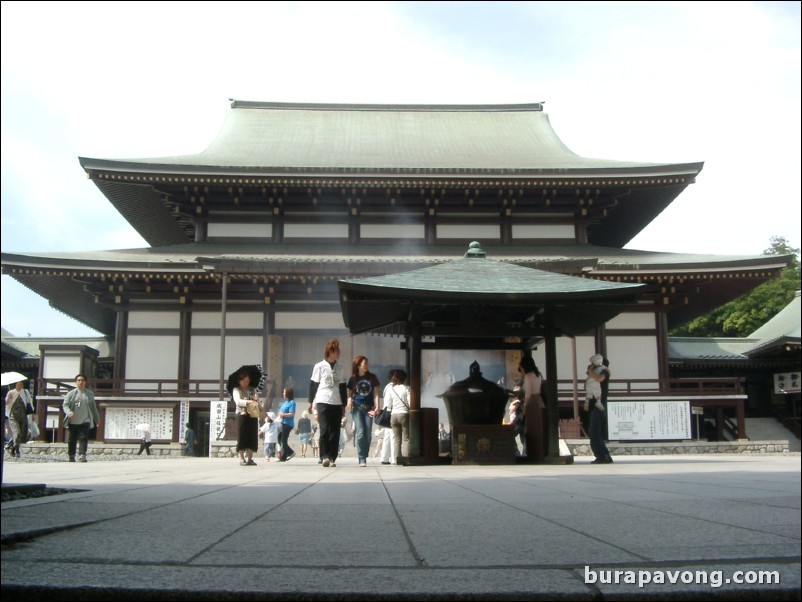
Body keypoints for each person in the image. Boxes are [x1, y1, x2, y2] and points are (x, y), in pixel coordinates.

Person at [308, 339, 347, 468]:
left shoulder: (340, 367)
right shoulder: (319, 366)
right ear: (330, 351)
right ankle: (324, 456)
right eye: (336, 350)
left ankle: (332, 457)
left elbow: (342, 386)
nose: (338, 353)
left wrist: (344, 404)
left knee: (335, 430)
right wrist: (310, 402)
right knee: (324, 429)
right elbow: (313, 385)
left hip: (336, 401)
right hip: (322, 400)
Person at [347, 355, 380, 467]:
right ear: (358, 365)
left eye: (367, 363)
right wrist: (349, 400)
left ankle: (364, 454)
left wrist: (377, 406)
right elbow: (350, 393)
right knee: (360, 432)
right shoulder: (353, 379)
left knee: (368, 433)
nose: (366, 365)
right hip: (357, 408)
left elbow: (376, 393)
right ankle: (361, 458)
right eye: (364, 363)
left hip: (369, 408)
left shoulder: (372, 377)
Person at [62, 374, 100, 463]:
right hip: (73, 421)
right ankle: (71, 455)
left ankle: (82, 454)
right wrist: (69, 412)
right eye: (78, 380)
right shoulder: (71, 394)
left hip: (85, 420)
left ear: (85, 382)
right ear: (76, 382)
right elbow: (65, 405)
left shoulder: (89, 394)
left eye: (82, 380)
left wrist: (97, 419)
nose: (80, 382)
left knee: (83, 438)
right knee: (72, 439)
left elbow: (93, 407)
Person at [584, 354, 613, 464]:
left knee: (594, 431)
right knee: (595, 431)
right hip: (592, 403)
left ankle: (602, 455)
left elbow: (599, 379)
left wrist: (591, 372)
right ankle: (604, 455)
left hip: (599, 405)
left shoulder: (605, 371)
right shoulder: (593, 374)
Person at [519, 355, 544, 463]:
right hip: (539, 400)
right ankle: (538, 451)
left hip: (532, 402)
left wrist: (524, 408)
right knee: (538, 429)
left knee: (529, 429)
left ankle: (528, 451)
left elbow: (528, 394)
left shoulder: (528, 376)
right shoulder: (538, 375)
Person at [232, 370, 259, 466]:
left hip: (252, 414)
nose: (246, 383)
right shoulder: (236, 390)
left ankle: (250, 458)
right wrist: (248, 402)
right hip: (242, 414)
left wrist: (255, 400)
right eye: (244, 381)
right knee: (242, 436)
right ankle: (242, 458)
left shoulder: (252, 389)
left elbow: (256, 399)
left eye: (247, 381)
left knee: (252, 436)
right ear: (239, 381)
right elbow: (238, 401)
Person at [385, 369, 410, 466]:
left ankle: (396, 459)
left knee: (396, 439)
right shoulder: (406, 388)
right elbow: (410, 402)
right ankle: (406, 459)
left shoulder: (391, 389)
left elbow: (388, 404)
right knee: (406, 438)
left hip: (394, 415)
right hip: (404, 414)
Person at [5, 380, 32, 459]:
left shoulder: (25, 392)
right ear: (15, 385)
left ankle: (12, 447)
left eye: (21, 385)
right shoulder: (11, 392)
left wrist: (32, 414)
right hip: (13, 416)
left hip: (23, 416)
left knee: (25, 433)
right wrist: (8, 399)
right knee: (17, 432)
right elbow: (6, 403)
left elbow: (29, 402)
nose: (20, 386)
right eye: (18, 385)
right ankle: (17, 451)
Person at [277, 387, 296, 461]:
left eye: (285, 392)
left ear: (288, 393)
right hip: (282, 423)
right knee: (279, 438)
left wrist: (283, 415)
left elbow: (292, 413)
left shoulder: (292, 402)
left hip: (288, 424)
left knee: (283, 440)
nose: (283, 393)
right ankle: (288, 453)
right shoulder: (285, 402)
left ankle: (286, 455)